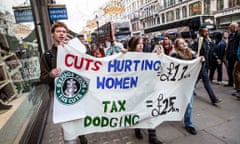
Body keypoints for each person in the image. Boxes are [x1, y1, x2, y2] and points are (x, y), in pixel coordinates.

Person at [40, 22, 88, 144]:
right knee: (66, 122)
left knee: (78, 117)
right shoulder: (47, 55)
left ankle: (81, 136)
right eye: (58, 31)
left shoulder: (73, 49)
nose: (62, 34)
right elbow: (43, 78)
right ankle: (70, 140)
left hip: (77, 91)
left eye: (64, 31)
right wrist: (51, 74)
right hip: (59, 96)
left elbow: (89, 64)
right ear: (52, 34)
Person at [127, 36, 162, 144]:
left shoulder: (147, 56)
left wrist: (159, 57)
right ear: (133, 45)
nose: (141, 45)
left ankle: (152, 136)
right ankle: (137, 129)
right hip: (134, 91)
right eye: (138, 44)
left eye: (142, 43)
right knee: (137, 111)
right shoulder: (127, 57)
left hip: (148, 89)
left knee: (151, 111)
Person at [171, 38, 203, 135]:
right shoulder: (174, 55)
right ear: (177, 46)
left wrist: (201, 60)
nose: (184, 44)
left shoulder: (192, 53)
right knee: (180, 102)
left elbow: (198, 67)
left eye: (184, 42)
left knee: (189, 104)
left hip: (190, 83)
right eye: (181, 44)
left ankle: (188, 123)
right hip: (179, 84)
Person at [191, 24, 222, 105]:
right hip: (201, 64)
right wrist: (197, 56)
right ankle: (213, 98)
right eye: (204, 31)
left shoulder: (209, 41)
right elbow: (192, 52)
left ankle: (190, 89)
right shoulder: (197, 41)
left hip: (207, 64)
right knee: (206, 82)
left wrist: (217, 58)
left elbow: (212, 51)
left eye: (207, 31)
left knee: (197, 78)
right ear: (200, 32)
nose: (206, 33)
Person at [225, 23, 240, 88]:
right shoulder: (231, 35)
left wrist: (236, 54)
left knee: (236, 72)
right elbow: (229, 46)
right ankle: (231, 83)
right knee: (230, 70)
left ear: (234, 27)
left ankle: (237, 87)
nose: (229, 29)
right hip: (230, 56)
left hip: (235, 56)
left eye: (230, 27)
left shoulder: (238, 34)